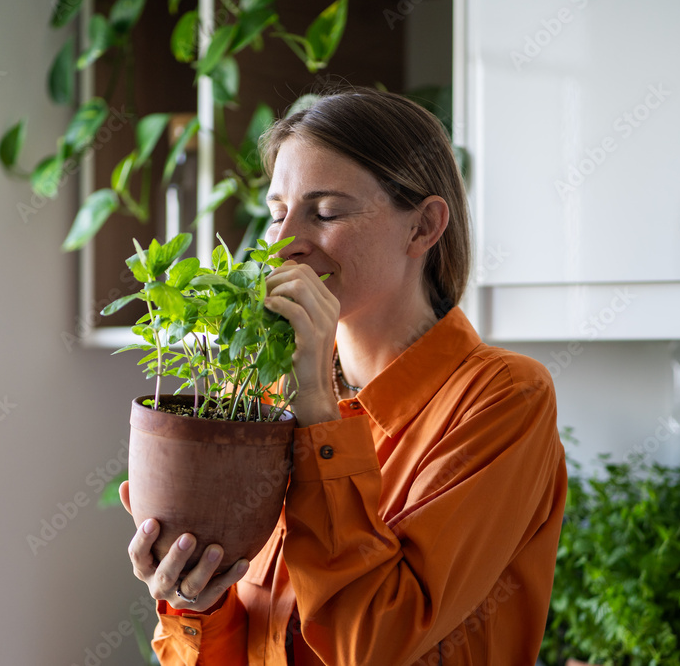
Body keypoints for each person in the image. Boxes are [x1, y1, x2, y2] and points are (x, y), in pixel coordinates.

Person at [118, 86, 567, 665]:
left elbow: (374, 645)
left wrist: (315, 406)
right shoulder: (263, 395)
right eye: (277, 213)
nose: (282, 243)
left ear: (423, 227)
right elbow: (252, 640)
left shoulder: (503, 398)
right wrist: (198, 602)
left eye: (326, 212)